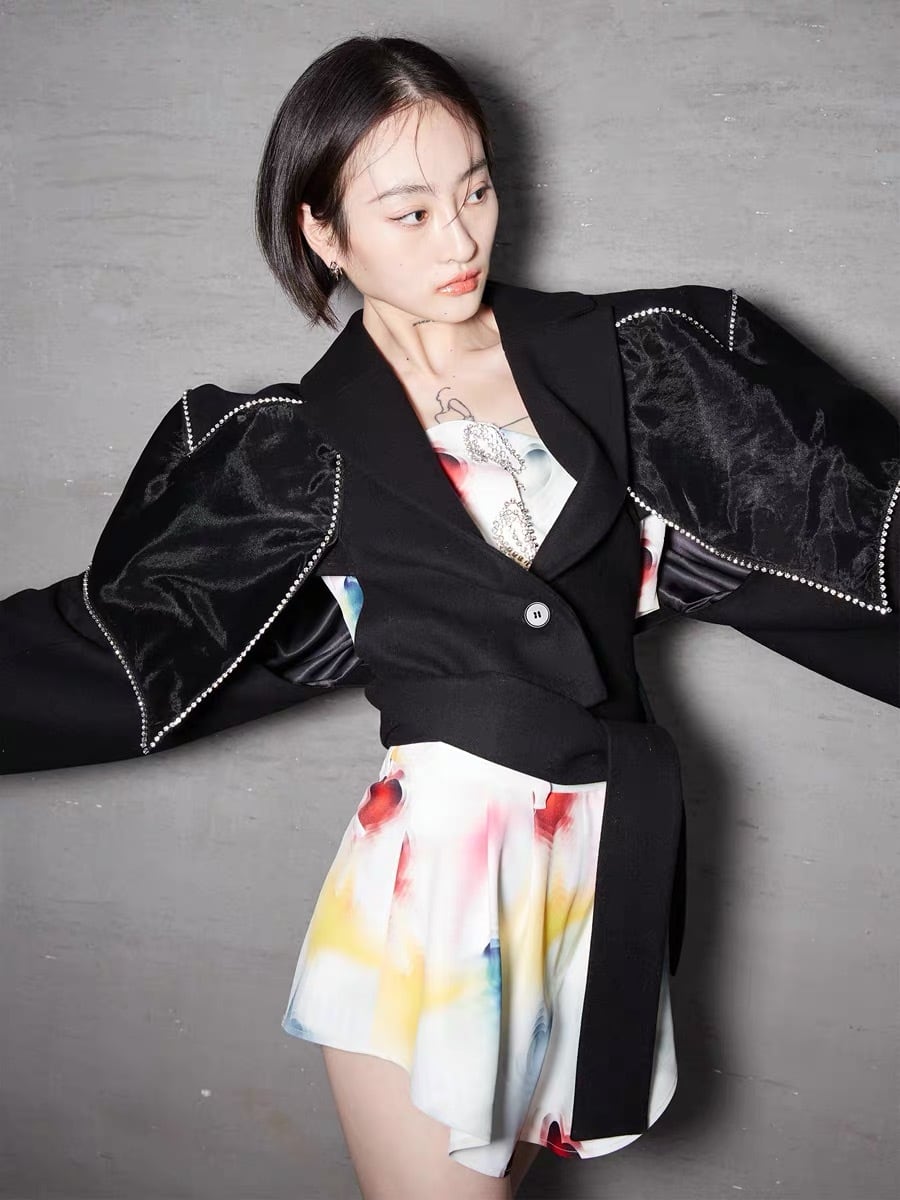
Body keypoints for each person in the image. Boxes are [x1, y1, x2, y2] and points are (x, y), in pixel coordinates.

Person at [2, 34, 897, 1200]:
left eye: (475, 190)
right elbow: (117, 649)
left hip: (594, 870)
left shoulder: (633, 367)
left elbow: (846, 527)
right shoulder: (297, 453)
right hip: (432, 896)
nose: (462, 238)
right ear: (324, 233)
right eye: (410, 212)